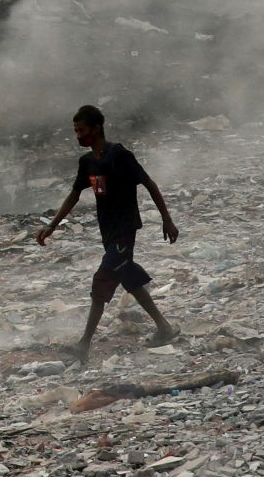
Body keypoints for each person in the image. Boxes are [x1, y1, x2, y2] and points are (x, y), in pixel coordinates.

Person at [35, 104, 179, 365]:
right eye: (76, 131)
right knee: (129, 278)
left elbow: (149, 183)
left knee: (102, 280)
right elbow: (75, 194)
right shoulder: (88, 162)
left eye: (82, 131)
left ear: (97, 128)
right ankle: (165, 328)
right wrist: (52, 225)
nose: (78, 136)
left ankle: (83, 345)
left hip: (125, 230)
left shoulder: (119, 155)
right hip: (109, 232)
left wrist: (166, 219)